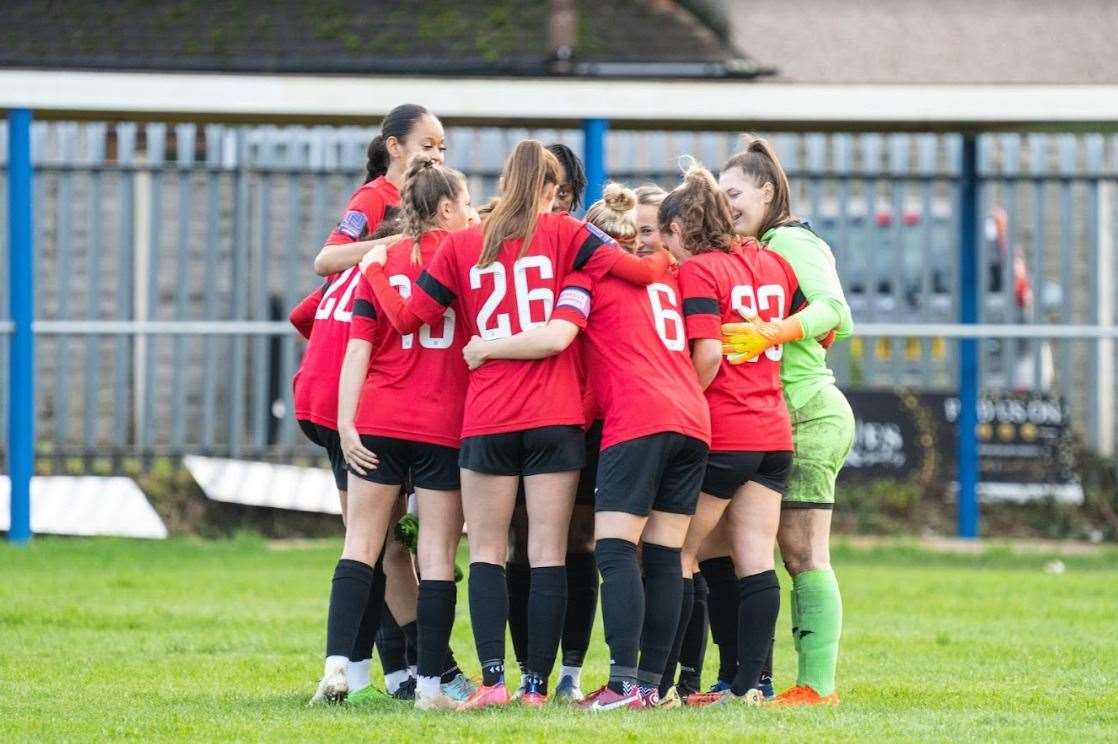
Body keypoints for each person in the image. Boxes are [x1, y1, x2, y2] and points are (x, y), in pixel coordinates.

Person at [360, 140, 671, 709]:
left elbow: (409, 318)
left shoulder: (462, 242)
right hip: (556, 418)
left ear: (504, 180)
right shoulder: (569, 234)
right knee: (548, 552)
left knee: (486, 552)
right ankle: (535, 687)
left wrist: (376, 271)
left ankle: (494, 681)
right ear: (554, 190)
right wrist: (672, 252)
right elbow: (640, 271)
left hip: (488, 416)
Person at [460, 183, 710, 711]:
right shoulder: (670, 272)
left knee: (615, 550)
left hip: (637, 418)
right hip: (692, 416)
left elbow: (556, 336)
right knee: (665, 556)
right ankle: (650, 685)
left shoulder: (587, 276)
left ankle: (621, 686)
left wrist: (486, 348)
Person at [303, 104, 452, 705]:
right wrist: (390, 245)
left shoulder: (428, 228)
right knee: (385, 543)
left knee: (382, 541)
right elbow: (325, 259)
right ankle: (398, 671)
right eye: (427, 144)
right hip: (351, 398)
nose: (437, 155)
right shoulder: (378, 201)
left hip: (356, 399)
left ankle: (386, 672)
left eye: (443, 147)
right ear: (394, 146)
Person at [660, 163, 805, 707]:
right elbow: (818, 325)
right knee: (754, 561)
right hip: (773, 432)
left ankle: (663, 685)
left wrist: (681, 405)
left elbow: (708, 354)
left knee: (675, 553)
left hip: (725, 429)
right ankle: (751, 684)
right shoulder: (774, 263)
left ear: (681, 229)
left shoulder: (700, 270)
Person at [334, 154, 475, 710]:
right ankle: (433, 684)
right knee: (438, 553)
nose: (471, 211)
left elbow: (357, 349)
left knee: (361, 546)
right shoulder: (468, 254)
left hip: (380, 417)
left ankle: (337, 670)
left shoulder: (383, 258)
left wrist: (347, 422)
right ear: (444, 208)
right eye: (465, 203)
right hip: (444, 420)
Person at [717, 137, 855, 706]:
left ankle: (816, 686)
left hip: (807, 412)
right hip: (772, 415)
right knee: (744, 550)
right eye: (719, 196)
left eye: (736, 194)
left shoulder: (791, 240)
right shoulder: (755, 246)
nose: (727, 206)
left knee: (802, 554)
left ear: (768, 192)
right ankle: (749, 680)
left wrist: (771, 333)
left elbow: (836, 315)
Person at [506, 142, 597, 703]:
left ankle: (572, 669)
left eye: (562, 186)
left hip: (582, 415)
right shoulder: (501, 239)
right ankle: (526, 668)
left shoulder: (585, 243)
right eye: (546, 183)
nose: (554, 194)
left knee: (578, 541)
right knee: (521, 541)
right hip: (520, 412)